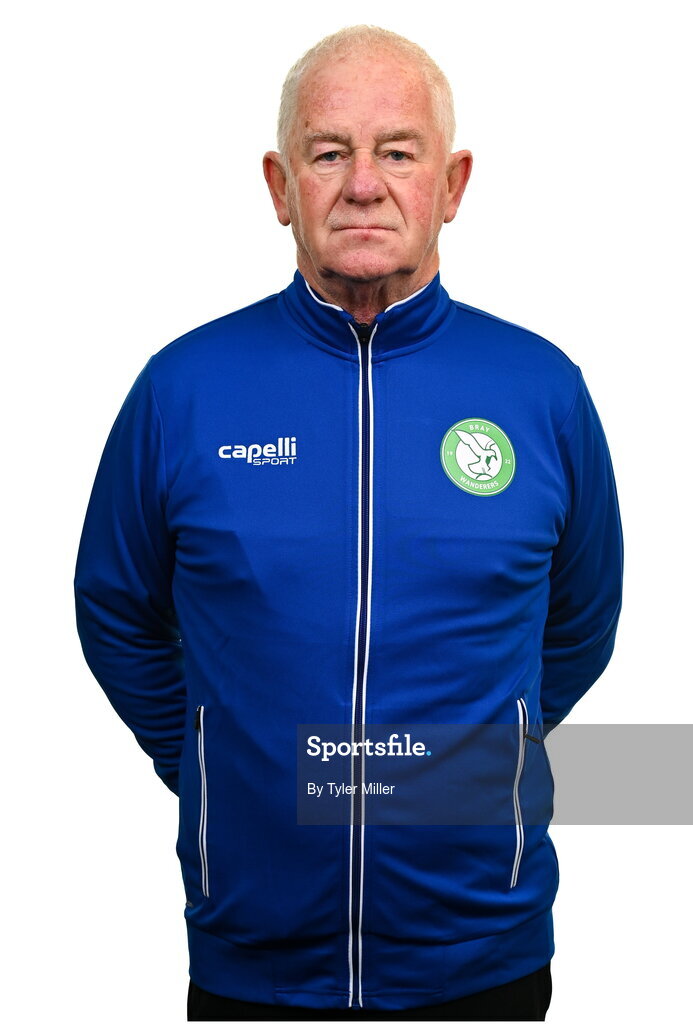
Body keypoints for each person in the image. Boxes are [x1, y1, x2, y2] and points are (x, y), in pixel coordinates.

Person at [73, 24, 624, 1023]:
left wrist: (472, 763)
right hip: (254, 966)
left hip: (483, 961)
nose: (363, 185)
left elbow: (580, 621)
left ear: (450, 185)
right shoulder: (182, 390)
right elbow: (115, 609)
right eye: (329, 153)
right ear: (280, 186)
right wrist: (214, 762)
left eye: (398, 152)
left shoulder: (542, 392)